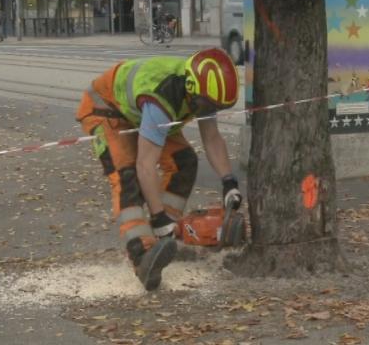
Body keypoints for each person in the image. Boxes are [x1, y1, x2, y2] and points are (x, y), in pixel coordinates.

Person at [75, 48, 243, 291]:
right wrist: (157, 215)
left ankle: (166, 236)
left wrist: (229, 182)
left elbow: (212, 138)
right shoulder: (163, 97)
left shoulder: (203, 92)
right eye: (205, 105)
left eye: (213, 107)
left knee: (184, 162)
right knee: (127, 176)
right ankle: (142, 253)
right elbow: (146, 164)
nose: (207, 111)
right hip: (106, 109)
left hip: (141, 111)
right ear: (191, 89)